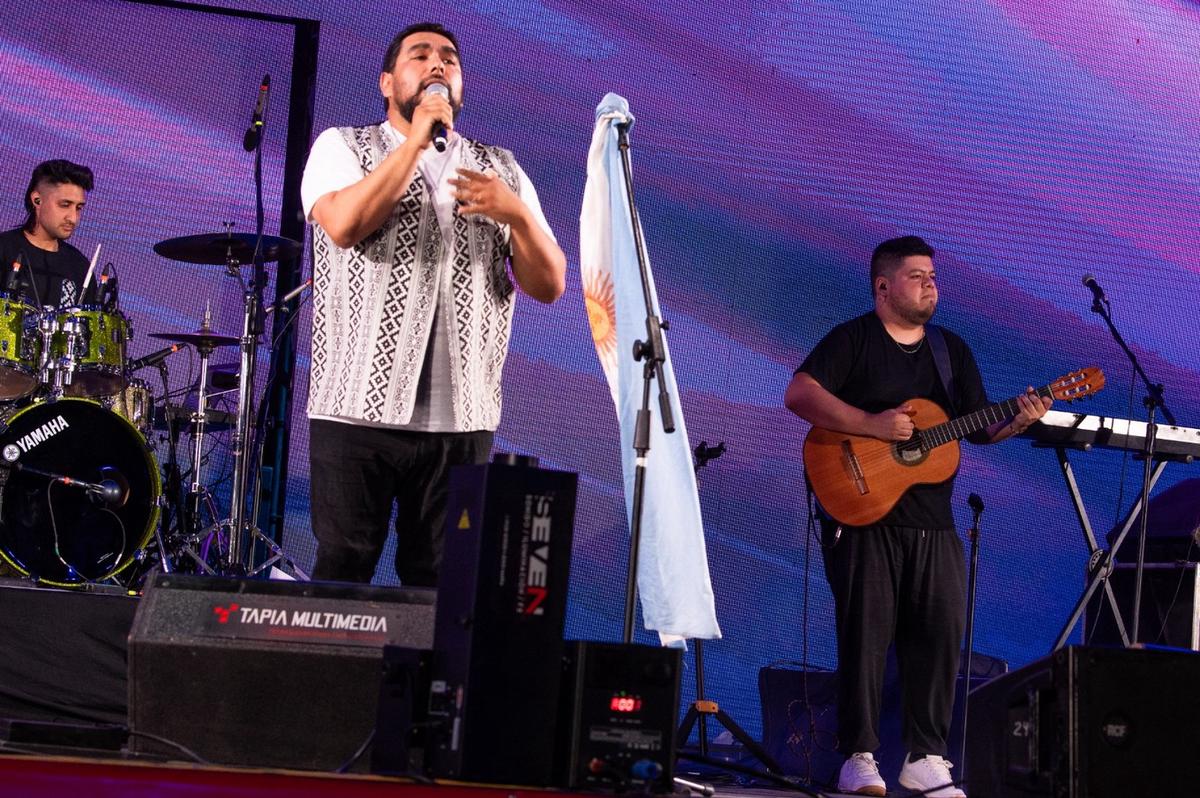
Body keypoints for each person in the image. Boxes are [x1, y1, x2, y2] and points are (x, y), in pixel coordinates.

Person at [299, 22, 566, 587]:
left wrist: (514, 213)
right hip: (356, 410)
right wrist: (416, 141)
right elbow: (344, 225)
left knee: (442, 584)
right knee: (345, 568)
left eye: (449, 58)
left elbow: (550, 284)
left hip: (461, 418)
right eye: (420, 56)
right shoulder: (342, 146)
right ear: (387, 80)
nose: (438, 65)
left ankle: (427, 681)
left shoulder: (501, 167)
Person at [784, 236, 1050, 798]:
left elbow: (979, 428)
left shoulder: (951, 352)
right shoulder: (853, 339)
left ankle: (926, 758)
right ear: (884, 287)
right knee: (866, 635)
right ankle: (858, 756)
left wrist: (1021, 420)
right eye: (916, 275)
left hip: (934, 522)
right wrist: (872, 424)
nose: (930, 283)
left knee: (941, 634)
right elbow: (800, 394)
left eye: (933, 274)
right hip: (863, 514)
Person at [0, 159, 97, 308]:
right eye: (65, 205)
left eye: (78, 208)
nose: (73, 218)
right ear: (37, 200)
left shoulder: (80, 267)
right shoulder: (4, 250)